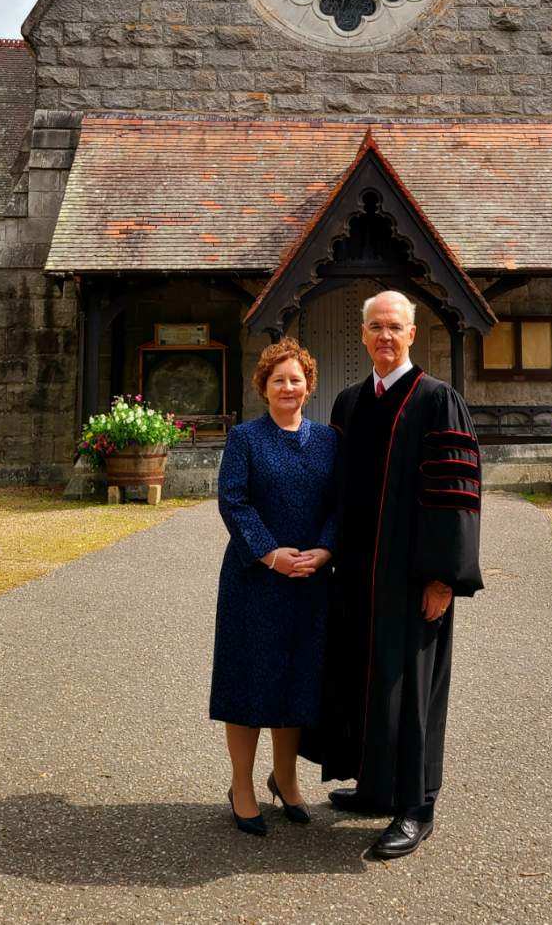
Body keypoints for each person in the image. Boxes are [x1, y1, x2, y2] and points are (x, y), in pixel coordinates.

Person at [323, 290, 482, 860]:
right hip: (358, 574)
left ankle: (417, 806)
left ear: (412, 334)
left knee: (414, 689)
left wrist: (443, 578)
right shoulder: (349, 403)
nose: (385, 336)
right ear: (362, 335)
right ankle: (374, 786)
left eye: (395, 327)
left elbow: (455, 492)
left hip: (414, 578)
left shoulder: (439, 401)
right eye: (375, 327)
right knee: (366, 675)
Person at [209, 339, 338, 835]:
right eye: (278, 379)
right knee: (247, 682)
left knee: (296, 681)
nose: (288, 386)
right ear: (263, 387)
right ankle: (242, 785)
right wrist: (269, 554)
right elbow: (233, 501)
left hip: (309, 580)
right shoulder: (245, 438)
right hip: (253, 580)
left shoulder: (328, 440)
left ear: (309, 385)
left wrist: (325, 550)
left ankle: (286, 779)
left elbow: (339, 505)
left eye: (296, 379)